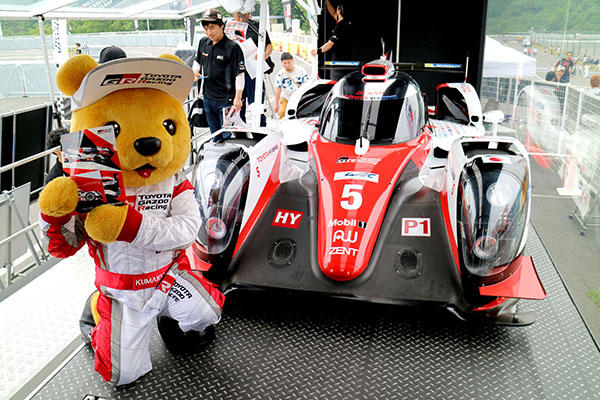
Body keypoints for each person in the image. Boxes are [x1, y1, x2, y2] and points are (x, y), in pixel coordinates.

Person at [194, 9, 246, 140]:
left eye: (212, 28)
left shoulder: (232, 47)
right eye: (206, 29)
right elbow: (197, 61)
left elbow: (239, 74)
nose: (209, 32)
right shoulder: (203, 43)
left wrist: (238, 97)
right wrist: (195, 70)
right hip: (208, 98)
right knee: (215, 136)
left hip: (226, 100)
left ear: (221, 25)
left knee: (227, 137)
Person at [232, 10, 274, 126]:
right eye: (238, 16)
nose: (241, 19)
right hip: (238, 72)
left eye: (243, 15)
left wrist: (263, 55)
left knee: (256, 103)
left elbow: (269, 46)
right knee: (238, 105)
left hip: (255, 71)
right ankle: (240, 132)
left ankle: (260, 131)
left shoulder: (257, 26)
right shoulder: (229, 29)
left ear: (249, 14)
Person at [311, 2, 352, 80]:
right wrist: (327, 2)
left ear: (339, 10)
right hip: (348, 60)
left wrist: (318, 51)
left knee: (336, 84)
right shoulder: (347, 23)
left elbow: (329, 44)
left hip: (338, 63)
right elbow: (333, 13)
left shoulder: (340, 27)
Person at [274, 52, 309, 119]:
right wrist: (276, 104)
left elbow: (307, 85)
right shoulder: (280, 73)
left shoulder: (301, 70)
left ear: (293, 61)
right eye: (285, 63)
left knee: (298, 115)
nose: (287, 65)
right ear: (282, 63)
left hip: (299, 98)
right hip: (286, 97)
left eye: (289, 62)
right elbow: (278, 89)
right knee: (282, 112)